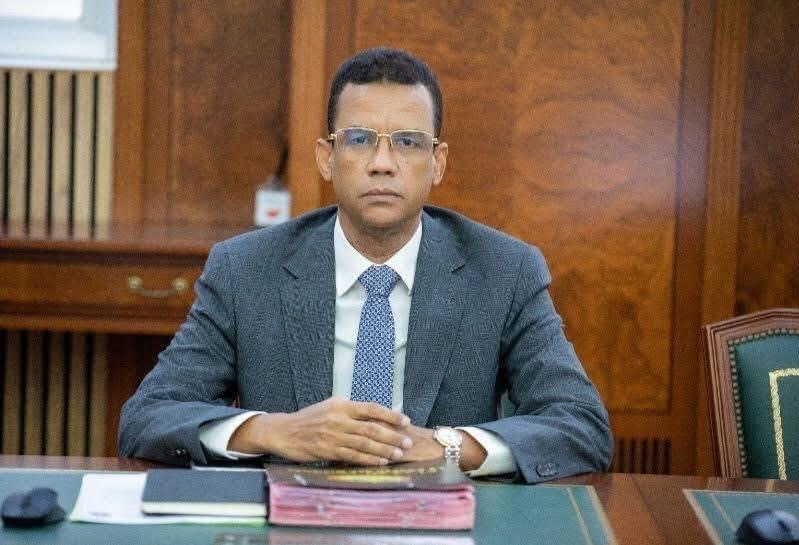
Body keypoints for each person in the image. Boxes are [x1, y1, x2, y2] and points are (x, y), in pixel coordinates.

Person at [119, 47, 612, 483]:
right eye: (358, 139)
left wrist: (445, 447)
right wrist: (277, 432)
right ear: (326, 157)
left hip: (440, 526)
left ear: (437, 162)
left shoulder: (504, 272)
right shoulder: (246, 270)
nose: (382, 162)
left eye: (408, 142)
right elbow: (147, 416)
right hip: (295, 527)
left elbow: (581, 425)